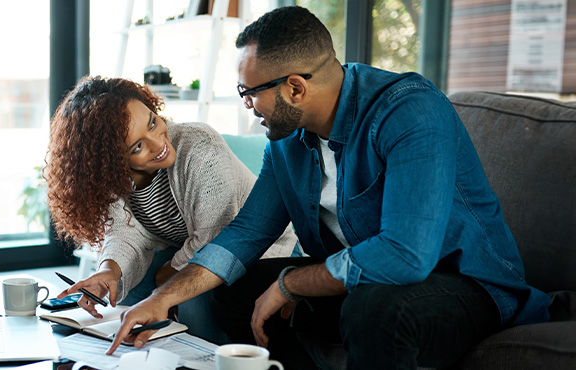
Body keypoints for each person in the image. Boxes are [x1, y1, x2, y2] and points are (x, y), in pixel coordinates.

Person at [105, 6, 551, 369]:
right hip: (367, 282)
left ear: (295, 88)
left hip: (465, 287)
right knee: (226, 289)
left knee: (374, 309)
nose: (245, 104)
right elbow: (245, 234)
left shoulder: (409, 112)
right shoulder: (288, 141)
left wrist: (291, 283)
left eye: (247, 92)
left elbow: (407, 255)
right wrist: (160, 300)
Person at [43, 76, 299, 344]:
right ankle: (138, 354)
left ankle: (205, 357)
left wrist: (166, 279)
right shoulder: (114, 179)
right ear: (112, 162)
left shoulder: (200, 147)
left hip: (256, 250)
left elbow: (215, 238)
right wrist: (108, 271)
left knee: (190, 298)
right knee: (128, 292)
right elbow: (125, 233)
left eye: (153, 122)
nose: (157, 143)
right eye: (138, 147)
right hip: (186, 250)